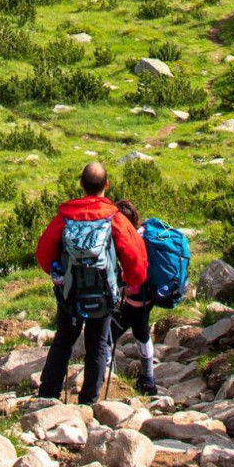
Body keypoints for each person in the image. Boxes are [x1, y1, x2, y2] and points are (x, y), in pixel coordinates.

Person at [35, 161, 147, 404]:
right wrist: (129, 283)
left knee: (64, 339)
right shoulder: (115, 219)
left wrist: (58, 273)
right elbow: (135, 257)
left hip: (69, 292)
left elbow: (43, 253)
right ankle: (89, 401)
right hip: (104, 293)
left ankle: (48, 395)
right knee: (97, 344)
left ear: (81, 185)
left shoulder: (64, 217)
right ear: (107, 185)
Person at [113, 198, 157, 395]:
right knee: (141, 333)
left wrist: (125, 288)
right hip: (150, 295)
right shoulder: (144, 235)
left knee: (108, 338)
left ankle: (108, 381)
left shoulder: (128, 240)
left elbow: (134, 272)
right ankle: (148, 379)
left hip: (134, 297)